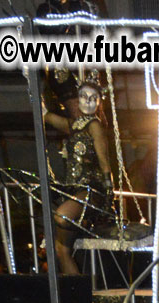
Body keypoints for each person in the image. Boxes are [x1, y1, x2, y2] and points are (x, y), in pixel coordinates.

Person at [42, 79, 112, 276]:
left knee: (62, 216)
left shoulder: (94, 125)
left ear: (99, 102)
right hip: (76, 191)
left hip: (91, 190)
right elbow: (48, 117)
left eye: (93, 98)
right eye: (83, 96)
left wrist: (109, 193)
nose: (87, 101)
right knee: (61, 250)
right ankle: (76, 291)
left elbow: (104, 160)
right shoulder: (75, 125)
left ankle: (83, 223)